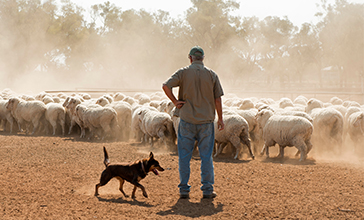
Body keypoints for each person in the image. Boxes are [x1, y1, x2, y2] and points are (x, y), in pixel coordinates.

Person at [162, 46, 224, 199]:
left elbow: (165, 85)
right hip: (206, 122)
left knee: (184, 156)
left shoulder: (183, 72)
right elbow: (217, 98)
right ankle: (207, 190)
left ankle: (184, 189)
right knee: (206, 156)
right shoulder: (211, 74)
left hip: (187, 120)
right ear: (203, 58)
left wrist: (175, 102)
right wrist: (220, 118)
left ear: (190, 58)